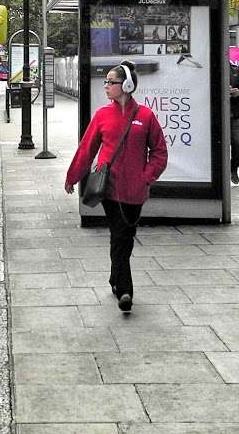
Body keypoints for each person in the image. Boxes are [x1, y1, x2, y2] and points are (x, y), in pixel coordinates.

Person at [64, 60, 168, 313]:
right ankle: (125, 290)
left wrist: (146, 177)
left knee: (124, 238)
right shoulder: (102, 115)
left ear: (127, 85)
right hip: (109, 189)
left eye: (112, 82)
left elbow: (159, 153)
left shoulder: (145, 116)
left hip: (136, 191)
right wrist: (72, 177)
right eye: (106, 82)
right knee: (120, 236)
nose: (107, 86)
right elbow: (86, 150)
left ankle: (114, 278)